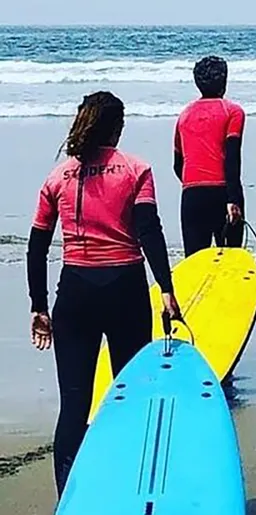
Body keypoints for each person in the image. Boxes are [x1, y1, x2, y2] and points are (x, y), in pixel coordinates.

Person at [26, 91, 181, 497]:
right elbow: (149, 229)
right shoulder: (136, 170)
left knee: (74, 408)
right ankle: (129, 488)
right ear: (118, 126)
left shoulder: (57, 177)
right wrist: (166, 288)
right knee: (130, 397)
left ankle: (70, 498)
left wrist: (38, 306)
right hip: (126, 291)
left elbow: (37, 245)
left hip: (74, 294)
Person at [174, 55, 246, 257]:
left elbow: (177, 164)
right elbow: (232, 159)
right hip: (223, 192)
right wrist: (233, 199)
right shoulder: (233, 112)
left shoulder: (184, 115)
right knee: (229, 261)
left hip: (191, 196)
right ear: (224, 81)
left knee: (195, 262)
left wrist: (198, 184)